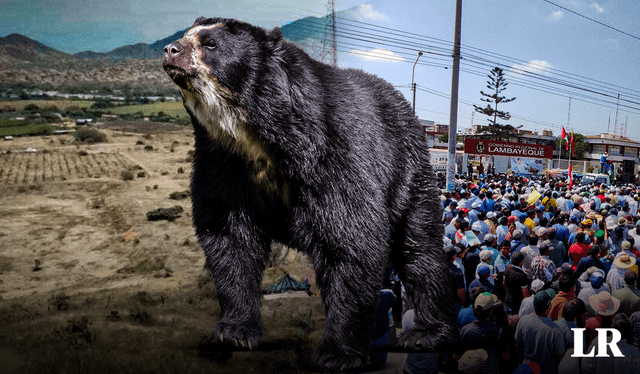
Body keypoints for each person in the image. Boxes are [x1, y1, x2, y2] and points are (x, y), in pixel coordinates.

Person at [455, 292, 510, 374]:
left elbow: (456, 356)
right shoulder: (498, 330)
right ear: (491, 310)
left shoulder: (464, 330)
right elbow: (506, 357)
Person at [515, 289, 566, 374]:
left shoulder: (523, 320)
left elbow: (518, 343)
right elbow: (560, 355)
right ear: (549, 307)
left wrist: (520, 362)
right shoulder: (555, 330)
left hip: (526, 368)